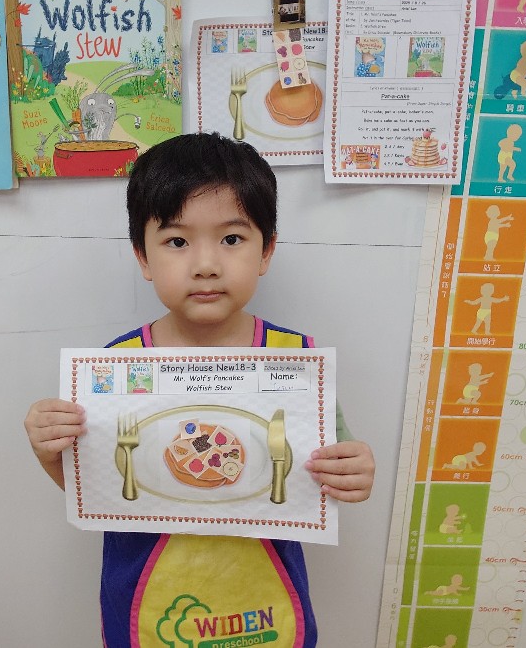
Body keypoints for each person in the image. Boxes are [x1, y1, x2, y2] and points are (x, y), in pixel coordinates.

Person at [24, 132, 375, 647]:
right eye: (177, 241)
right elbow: (97, 485)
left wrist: (354, 470)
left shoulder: (295, 360)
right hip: (149, 597)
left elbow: (331, 465)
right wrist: (49, 450)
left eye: (231, 239)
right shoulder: (114, 369)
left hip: (262, 602)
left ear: (266, 250)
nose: (206, 264)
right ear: (143, 257)